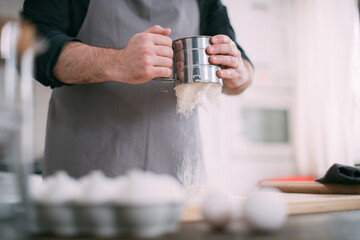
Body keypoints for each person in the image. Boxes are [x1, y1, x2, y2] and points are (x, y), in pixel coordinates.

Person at [22, 0, 254, 183]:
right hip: (86, 179)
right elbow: (34, 46)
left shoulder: (208, 2)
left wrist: (240, 73)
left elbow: (242, 68)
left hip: (180, 176)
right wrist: (117, 61)